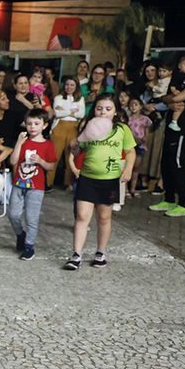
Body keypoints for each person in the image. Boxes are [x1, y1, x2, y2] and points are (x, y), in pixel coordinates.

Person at [65, 94, 136, 270]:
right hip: (87, 178)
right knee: (82, 216)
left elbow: (130, 152)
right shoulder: (88, 128)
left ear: (115, 111)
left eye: (108, 108)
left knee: (104, 217)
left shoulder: (121, 129)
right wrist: (75, 147)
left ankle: (100, 252)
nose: (103, 112)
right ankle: (76, 255)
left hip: (109, 180)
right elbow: (77, 151)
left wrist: (127, 169)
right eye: (99, 108)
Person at [148, 63, 185, 217]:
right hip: (171, 127)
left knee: (177, 162)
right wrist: (168, 101)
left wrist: (163, 98)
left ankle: (184, 204)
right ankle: (169, 199)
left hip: (183, 129)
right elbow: (172, 97)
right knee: (166, 162)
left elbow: (176, 97)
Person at [8, 109, 57, 260]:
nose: (32, 127)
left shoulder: (48, 145)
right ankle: (20, 235)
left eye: (37, 123)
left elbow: (51, 166)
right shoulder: (23, 142)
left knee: (31, 218)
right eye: (29, 123)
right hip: (18, 183)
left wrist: (41, 161)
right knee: (13, 214)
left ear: (44, 125)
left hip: (37, 187)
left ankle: (29, 246)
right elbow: (13, 161)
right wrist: (18, 143)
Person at [50, 77, 85, 189]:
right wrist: (72, 111)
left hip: (73, 127)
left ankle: (68, 182)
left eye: (72, 85)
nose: (69, 87)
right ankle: (48, 182)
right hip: (59, 126)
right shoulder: (58, 97)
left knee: (70, 155)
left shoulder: (80, 99)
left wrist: (64, 110)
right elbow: (57, 113)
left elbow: (81, 114)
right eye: (67, 85)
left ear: (76, 87)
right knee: (54, 155)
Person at [125, 97, 152, 197]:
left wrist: (145, 138)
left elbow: (147, 131)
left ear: (140, 106)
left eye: (136, 104)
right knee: (127, 166)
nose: (133, 107)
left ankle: (133, 188)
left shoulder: (145, 119)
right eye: (131, 104)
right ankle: (126, 189)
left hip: (140, 145)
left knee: (136, 167)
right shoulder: (126, 118)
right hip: (129, 144)